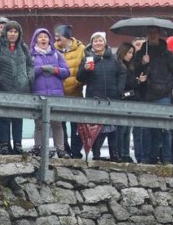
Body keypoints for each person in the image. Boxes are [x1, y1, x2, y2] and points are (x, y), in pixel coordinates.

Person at [130, 26, 173, 165]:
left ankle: (166, 159)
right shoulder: (141, 53)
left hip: (163, 95)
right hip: (146, 94)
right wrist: (142, 63)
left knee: (165, 129)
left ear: (159, 34)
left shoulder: (167, 53)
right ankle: (148, 158)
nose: (152, 35)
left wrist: (167, 87)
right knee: (146, 129)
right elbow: (135, 72)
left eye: (155, 33)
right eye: (150, 33)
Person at [76, 31, 125, 158]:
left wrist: (119, 89)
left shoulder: (114, 58)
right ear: (92, 43)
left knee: (113, 128)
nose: (98, 43)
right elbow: (80, 78)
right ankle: (96, 153)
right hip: (94, 98)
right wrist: (85, 69)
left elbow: (122, 73)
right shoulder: (88, 57)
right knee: (96, 128)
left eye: (100, 40)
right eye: (95, 41)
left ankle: (114, 154)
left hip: (112, 97)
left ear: (105, 42)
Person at [0, 21, 34, 155]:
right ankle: (4, 144)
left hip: (21, 88)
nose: (13, 34)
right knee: (4, 117)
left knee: (18, 117)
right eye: (10, 31)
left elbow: (30, 65)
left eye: (15, 32)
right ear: (5, 33)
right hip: (3, 87)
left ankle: (18, 144)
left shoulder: (24, 48)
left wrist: (29, 78)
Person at [31, 28, 69, 156]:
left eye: (45, 37)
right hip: (38, 94)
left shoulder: (57, 54)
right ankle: (38, 147)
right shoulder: (31, 55)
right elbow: (28, 72)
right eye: (40, 36)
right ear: (35, 39)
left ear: (49, 40)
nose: (43, 39)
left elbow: (66, 72)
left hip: (56, 94)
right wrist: (40, 69)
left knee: (57, 123)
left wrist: (55, 70)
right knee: (39, 123)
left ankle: (60, 148)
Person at [54, 25, 86, 157]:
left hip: (76, 93)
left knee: (77, 126)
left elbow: (85, 69)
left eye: (58, 35)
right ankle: (64, 150)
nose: (56, 38)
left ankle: (76, 151)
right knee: (60, 125)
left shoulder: (81, 49)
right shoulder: (53, 49)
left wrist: (79, 83)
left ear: (66, 36)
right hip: (59, 93)